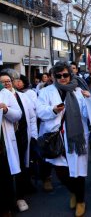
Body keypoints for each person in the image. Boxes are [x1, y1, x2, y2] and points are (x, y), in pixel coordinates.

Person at [36, 61, 90, 217]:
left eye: (65, 75)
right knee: (61, 171)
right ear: (53, 77)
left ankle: (80, 200)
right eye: (58, 76)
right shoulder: (46, 92)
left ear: (70, 75)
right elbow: (40, 111)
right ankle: (73, 192)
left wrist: (90, 99)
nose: (62, 78)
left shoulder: (78, 91)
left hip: (77, 137)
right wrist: (53, 110)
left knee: (78, 171)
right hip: (57, 135)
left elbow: (86, 113)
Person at [0, 71, 37, 212]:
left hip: (21, 137)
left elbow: (32, 117)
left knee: (21, 167)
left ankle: (20, 198)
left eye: (8, 80)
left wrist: (33, 135)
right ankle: (8, 201)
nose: (6, 83)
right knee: (7, 171)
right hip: (8, 140)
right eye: (3, 81)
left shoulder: (23, 97)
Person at [0, 75, 22, 216]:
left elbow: (18, 115)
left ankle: (6, 207)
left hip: (2, 143)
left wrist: (6, 109)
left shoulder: (5, 94)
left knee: (4, 176)